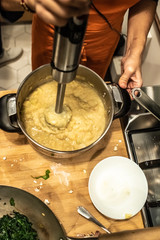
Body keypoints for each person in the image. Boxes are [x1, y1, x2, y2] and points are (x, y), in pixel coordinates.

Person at [1, 0, 158, 96]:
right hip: (53, 35)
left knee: (91, 87)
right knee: (46, 83)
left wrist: (134, 50)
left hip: (104, 40)